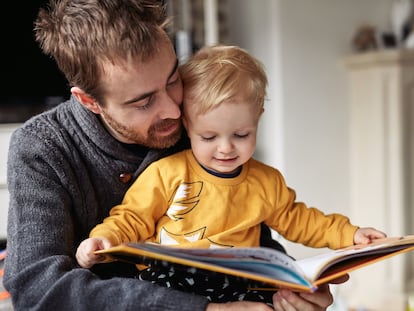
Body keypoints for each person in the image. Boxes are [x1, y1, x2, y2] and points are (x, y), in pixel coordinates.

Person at [3, 0, 346, 310]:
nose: (173, 109)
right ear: (89, 101)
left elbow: (247, 233)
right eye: (143, 101)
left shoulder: (198, 125)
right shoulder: (43, 146)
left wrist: (288, 289)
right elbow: (38, 288)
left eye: (172, 80)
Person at [75, 45, 386, 304]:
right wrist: (105, 239)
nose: (226, 148)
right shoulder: (167, 172)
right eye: (208, 137)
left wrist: (351, 235)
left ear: (258, 118)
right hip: (176, 277)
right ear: (187, 125)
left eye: (241, 134)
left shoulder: (266, 182)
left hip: (239, 281)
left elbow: (300, 220)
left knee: (278, 297)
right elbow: (133, 218)